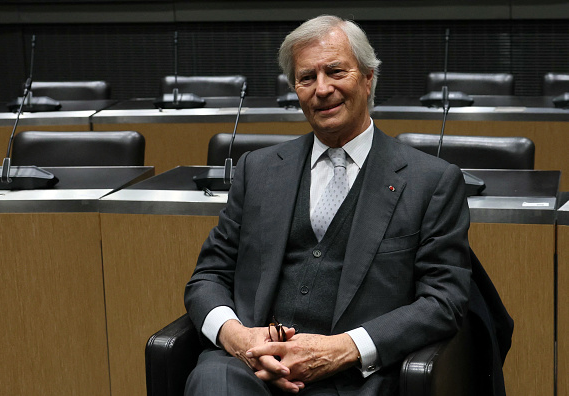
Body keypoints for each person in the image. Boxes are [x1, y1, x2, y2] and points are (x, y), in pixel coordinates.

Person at [184, 14, 472, 396]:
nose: (322, 89)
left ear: (368, 78)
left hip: (355, 376)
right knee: (211, 381)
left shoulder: (430, 181)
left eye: (336, 71)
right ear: (295, 89)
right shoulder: (259, 169)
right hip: (250, 370)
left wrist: (345, 348)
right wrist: (239, 339)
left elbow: (444, 301)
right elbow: (207, 276)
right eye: (307, 78)